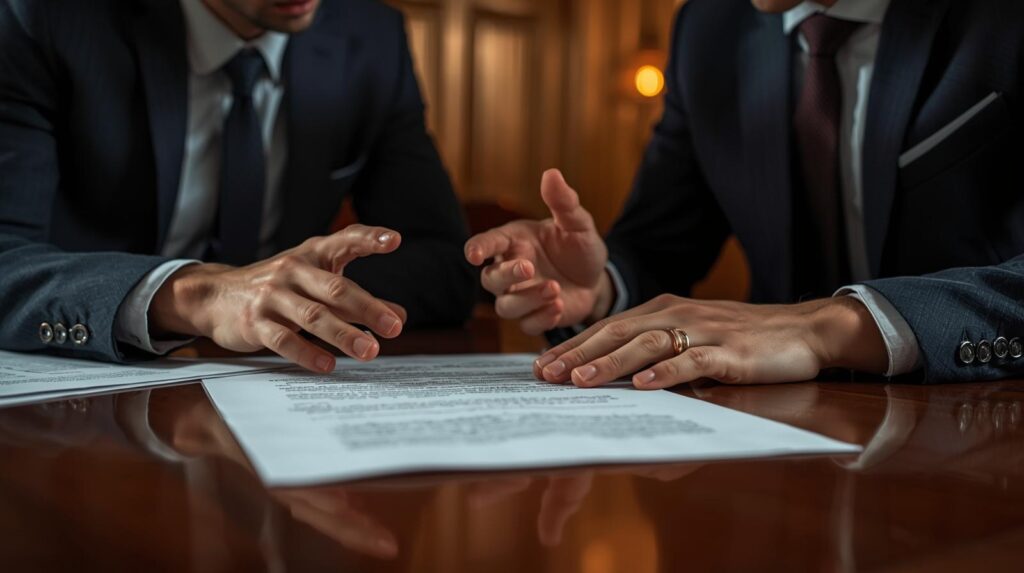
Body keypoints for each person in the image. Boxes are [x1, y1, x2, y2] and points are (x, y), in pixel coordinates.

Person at [466, 0, 1024, 386]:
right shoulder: (710, 30)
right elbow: (660, 246)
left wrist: (833, 328)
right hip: (779, 432)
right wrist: (599, 287)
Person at [0, 0, 475, 372]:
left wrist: (292, 293)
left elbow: (443, 263)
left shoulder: (371, 38)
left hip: (268, 385)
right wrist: (189, 296)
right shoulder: (47, 17)